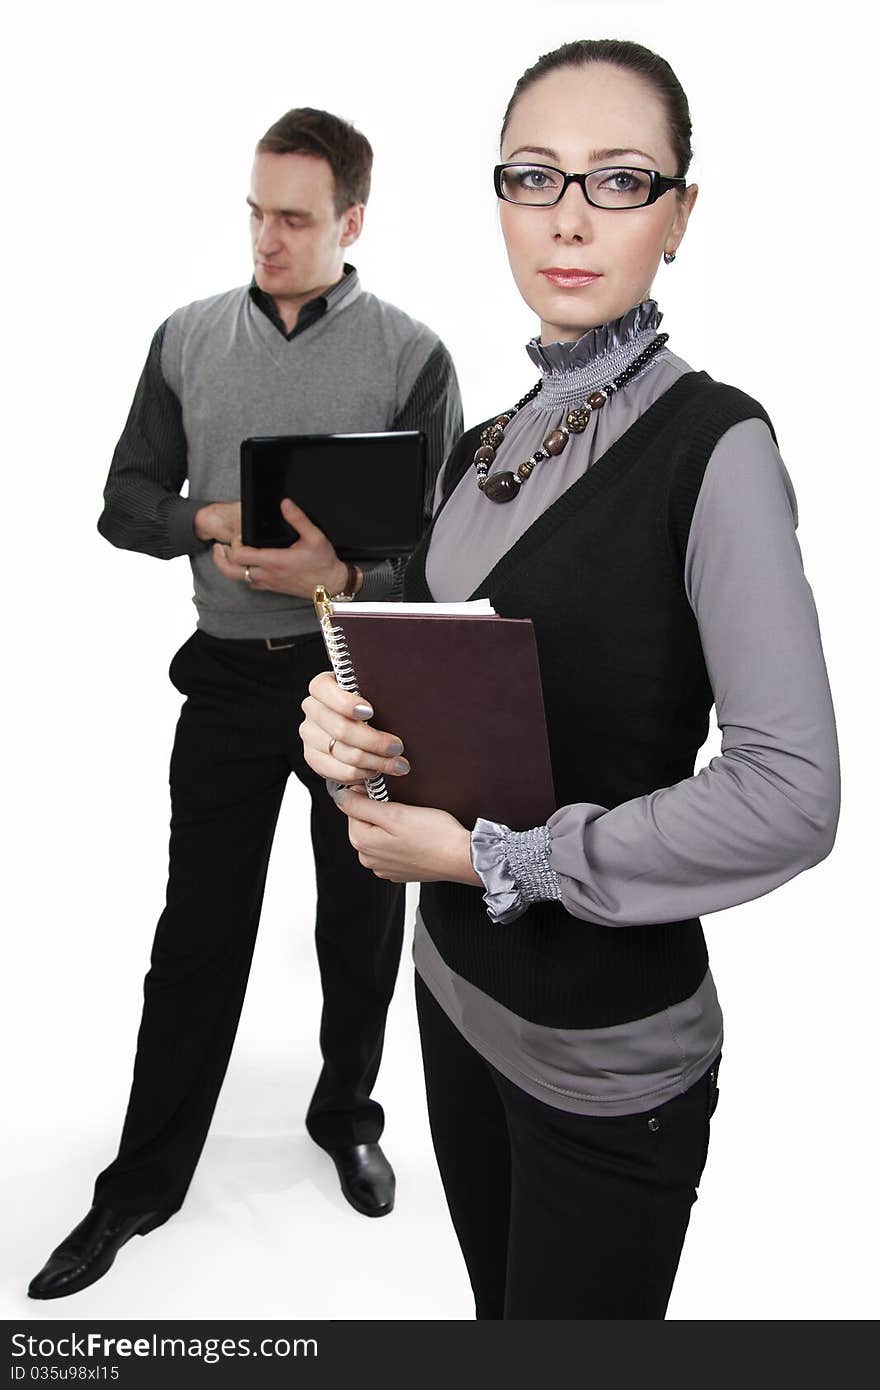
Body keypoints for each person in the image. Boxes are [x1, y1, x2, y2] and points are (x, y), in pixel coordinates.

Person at [298, 41, 840, 1319]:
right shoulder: (486, 443)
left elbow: (789, 796)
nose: (569, 218)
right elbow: (404, 663)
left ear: (679, 214)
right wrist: (332, 721)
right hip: (452, 999)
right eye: (535, 177)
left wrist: (495, 861)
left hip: (608, 1063)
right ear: (498, 199)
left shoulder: (719, 448)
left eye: (619, 180)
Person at [28, 106, 462, 1301]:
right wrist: (203, 521)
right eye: (256, 213)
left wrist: (347, 578)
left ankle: (345, 1113)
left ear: (351, 222)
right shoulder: (186, 338)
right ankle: (142, 1184)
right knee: (197, 935)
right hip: (224, 682)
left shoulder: (412, 353)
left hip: (357, 678)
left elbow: (453, 544)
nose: (267, 239)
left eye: (295, 218)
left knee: (358, 926)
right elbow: (123, 500)